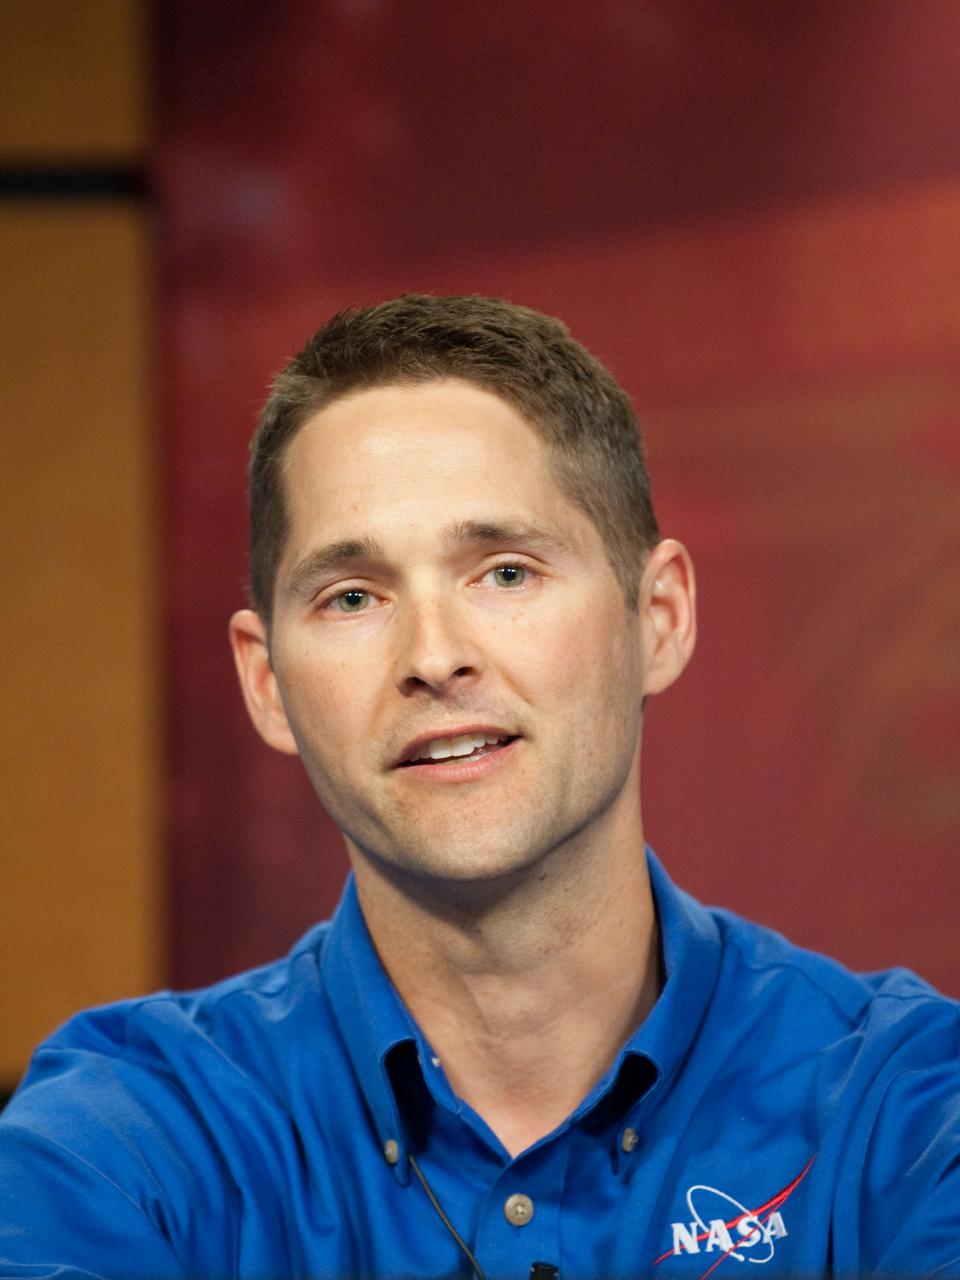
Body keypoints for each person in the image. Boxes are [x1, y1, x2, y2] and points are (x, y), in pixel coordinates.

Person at [1, 295, 958, 1279]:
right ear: (267, 682)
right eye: (354, 596)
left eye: (504, 572)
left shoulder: (912, 1111)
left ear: (659, 617)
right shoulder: (124, 1140)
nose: (435, 655)